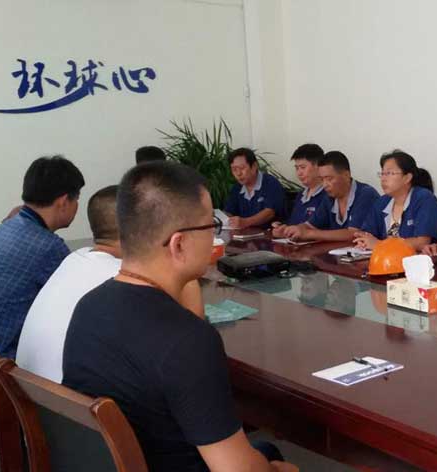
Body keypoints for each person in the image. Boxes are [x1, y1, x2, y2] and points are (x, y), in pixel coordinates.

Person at [62, 161, 296, 472]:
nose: (215, 237)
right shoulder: (186, 341)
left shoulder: (89, 306)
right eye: (210, 226)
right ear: (179, 243)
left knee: (263, 450)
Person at [15, 185, 206, 383]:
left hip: (34, 394)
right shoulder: (128, 279)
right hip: (73, 399)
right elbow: (194, 346)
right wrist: (185, 262)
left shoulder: (75, 257)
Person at [0, 156, 84, 358]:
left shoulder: (10, 226)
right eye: (77, 199)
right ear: (63, 202)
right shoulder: (48, 246)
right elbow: (79, 304)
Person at [278, 151, 379, 242]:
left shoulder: (366, 194)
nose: (324, 185)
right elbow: (310, 226)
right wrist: (291, 230)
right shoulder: (329, 197)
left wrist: (308, 234)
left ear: (346, 175)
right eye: (322, 179)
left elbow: (354, 234)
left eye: (329, 179)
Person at [354, 150, 437, 252]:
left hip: (419, 260)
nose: (383, 179)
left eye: (389, 173)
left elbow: (422, 243)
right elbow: (367, 234)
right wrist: (363, 240)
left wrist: (380, 244)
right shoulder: (382, 202)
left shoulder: (424, 199)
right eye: (382, 173)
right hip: (385, 259)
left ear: (407, 178)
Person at [223, 147, 286, 229]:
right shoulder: (237, 187)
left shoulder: (270, 183)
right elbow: (229, 211)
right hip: (245, 234)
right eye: (234, 169)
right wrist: (219, 217)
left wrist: (245, 222)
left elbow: (269, 212)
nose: (238, 173)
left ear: (254, 166)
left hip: (269, 233)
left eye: (242, 168)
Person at [280, 143, 326, 226]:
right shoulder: (300, 195)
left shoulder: (328, 195)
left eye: (303, 167)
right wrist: (283, 227)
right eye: (297, 168)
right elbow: (293, 223)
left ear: (318, 166)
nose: (299, 173)